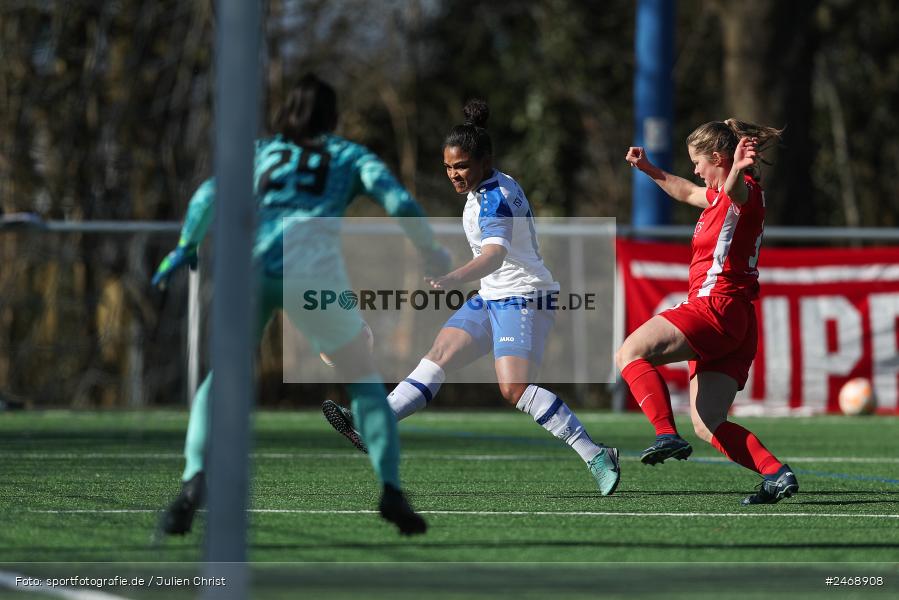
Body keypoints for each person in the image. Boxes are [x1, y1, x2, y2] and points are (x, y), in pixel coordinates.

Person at [152, 73, 451, 535]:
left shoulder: (261, 153)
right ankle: (391, 489)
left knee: (223, 375)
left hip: (251, 271)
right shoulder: (347, 155)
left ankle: (193, 481)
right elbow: (399, 200)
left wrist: (187, 244)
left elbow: (207, 195)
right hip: (313, 276)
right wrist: (430, 250)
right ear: (332, 117)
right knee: (365, 381)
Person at [323, 99, 620, 495]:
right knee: (438, 355)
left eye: (460, 166)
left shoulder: (496, 195)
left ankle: (596, 454)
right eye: (447, 167)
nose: (453, 174)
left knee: (514, 389)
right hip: (493, 295)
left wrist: (453, 278)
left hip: (524, 296)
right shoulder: (481, 191)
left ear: (484, 160)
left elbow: (495, 256)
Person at [619, 119, 798, 505]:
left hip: (715, 307)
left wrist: (735, 168)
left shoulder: (741, 191)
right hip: (735, 320)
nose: (695, 170)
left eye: (698, 162)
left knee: (630, 353)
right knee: (707, 423)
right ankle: (775, 473)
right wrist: (649, 169)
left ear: (718, 158)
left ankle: (665, 432)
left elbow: (735, 187)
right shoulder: (717, 197)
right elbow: (684, 191)